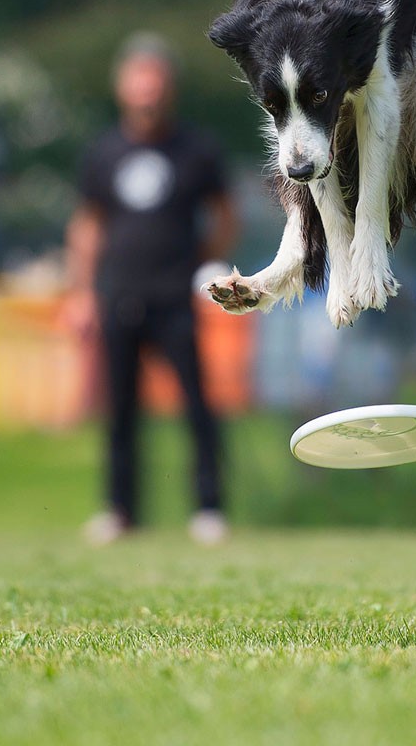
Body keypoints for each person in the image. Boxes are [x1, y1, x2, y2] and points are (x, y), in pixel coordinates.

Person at [65, 32, 238, 545]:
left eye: (155, 80)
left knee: (196, 405)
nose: (147, 91)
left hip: (175, 298)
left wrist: (201, 263)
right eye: (138, 79)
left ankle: (209, 508)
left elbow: (225, 218)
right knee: (119, 410)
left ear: (169, 88)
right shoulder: (103, 152)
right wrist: (81, 293)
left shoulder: (196, 150)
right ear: (123, 87)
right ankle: (120, 510)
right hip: (118, 295)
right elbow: (87, 226)